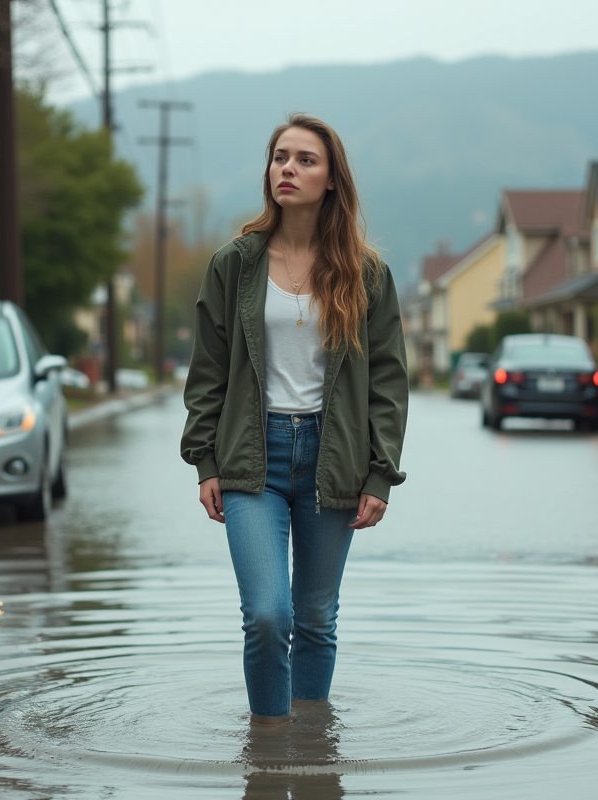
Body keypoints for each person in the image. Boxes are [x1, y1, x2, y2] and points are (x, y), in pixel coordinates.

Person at [180, 113, 409, 723]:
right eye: (280, 157)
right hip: (253, 458)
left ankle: (310, 754)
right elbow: (208, 372)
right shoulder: (235, 265)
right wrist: (204, 459)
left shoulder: (366, 274)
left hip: (334, 460)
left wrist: (380, 474)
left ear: (332, 179)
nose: (288, 168)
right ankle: (269, 751)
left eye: (306, 159)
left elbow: (388, 380)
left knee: (314, 617)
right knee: (266, 614)